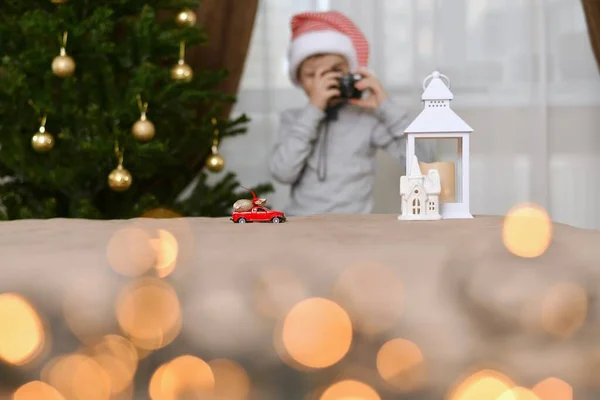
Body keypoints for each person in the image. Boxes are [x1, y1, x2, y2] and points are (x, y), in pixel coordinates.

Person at [268, 11, 433, 216]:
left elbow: (423, 162)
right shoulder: (293, 119)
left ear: (352, 72)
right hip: (301, 223)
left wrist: (386, 106)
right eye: (312, 75)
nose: (326, 80)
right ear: (299, 81)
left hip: (353, 226)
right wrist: (313, 111)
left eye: (336, 69)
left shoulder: (366, 119)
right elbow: (282, 173)